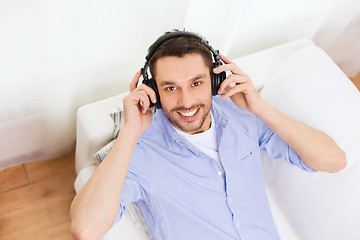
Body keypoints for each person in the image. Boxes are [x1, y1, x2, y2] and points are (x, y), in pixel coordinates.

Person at [70, 30, 346, 240]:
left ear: (215, 80)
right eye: (170, 88)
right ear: (153, 91)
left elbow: (334, 160)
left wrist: (260, 108)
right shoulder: (140, 151)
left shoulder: (243, 116)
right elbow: (85, 228)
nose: (187, 101)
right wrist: (129, 134)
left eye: (196, 83)